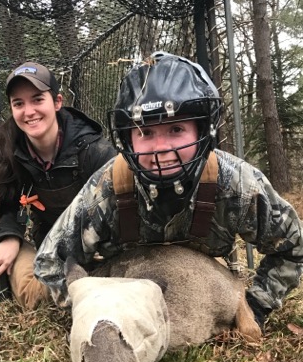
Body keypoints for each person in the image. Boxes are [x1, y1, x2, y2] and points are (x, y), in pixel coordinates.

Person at [34, 52, 303, 328]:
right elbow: (49, 263)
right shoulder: (108, 187)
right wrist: (95, 306)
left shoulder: (235, 183)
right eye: (145, 133)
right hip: (126, 294)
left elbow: (293, 246)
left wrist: (257, 305)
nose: (161, 148)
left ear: (201, 131)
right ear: (127, 139)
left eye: (176, 129)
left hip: (201, 293)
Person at [0, 61, 116, 309]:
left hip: (96, 250)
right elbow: (7, 204)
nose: (29, 111)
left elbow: (119, 210)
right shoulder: (9, 151)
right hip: (48, 249)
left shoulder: (94, 150)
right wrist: (10, 238)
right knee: (35, 296)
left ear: (57, 102)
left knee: (100, 291)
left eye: (37, 99)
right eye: (18, 103)